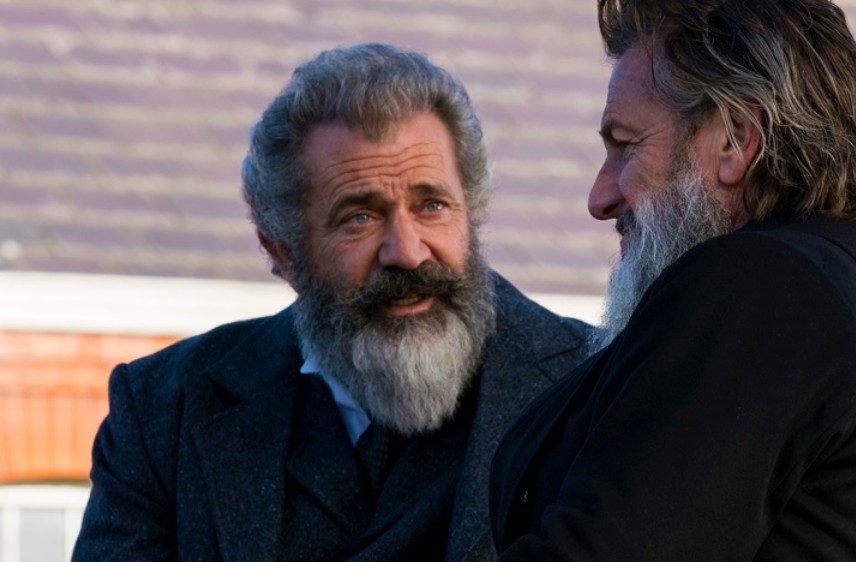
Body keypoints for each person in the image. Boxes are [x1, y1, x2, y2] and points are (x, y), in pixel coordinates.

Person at [73, 43, 593, 561]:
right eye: (360, 217)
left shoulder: (592, 388)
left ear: (471, 214)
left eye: (432, 206)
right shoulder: (163, 412)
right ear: (283, 251)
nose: (407, 253)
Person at [489, 0, 856, 559]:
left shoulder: (763, 289)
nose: (600, 198)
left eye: (626, 145)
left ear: (734, 140)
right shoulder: (832, 305)